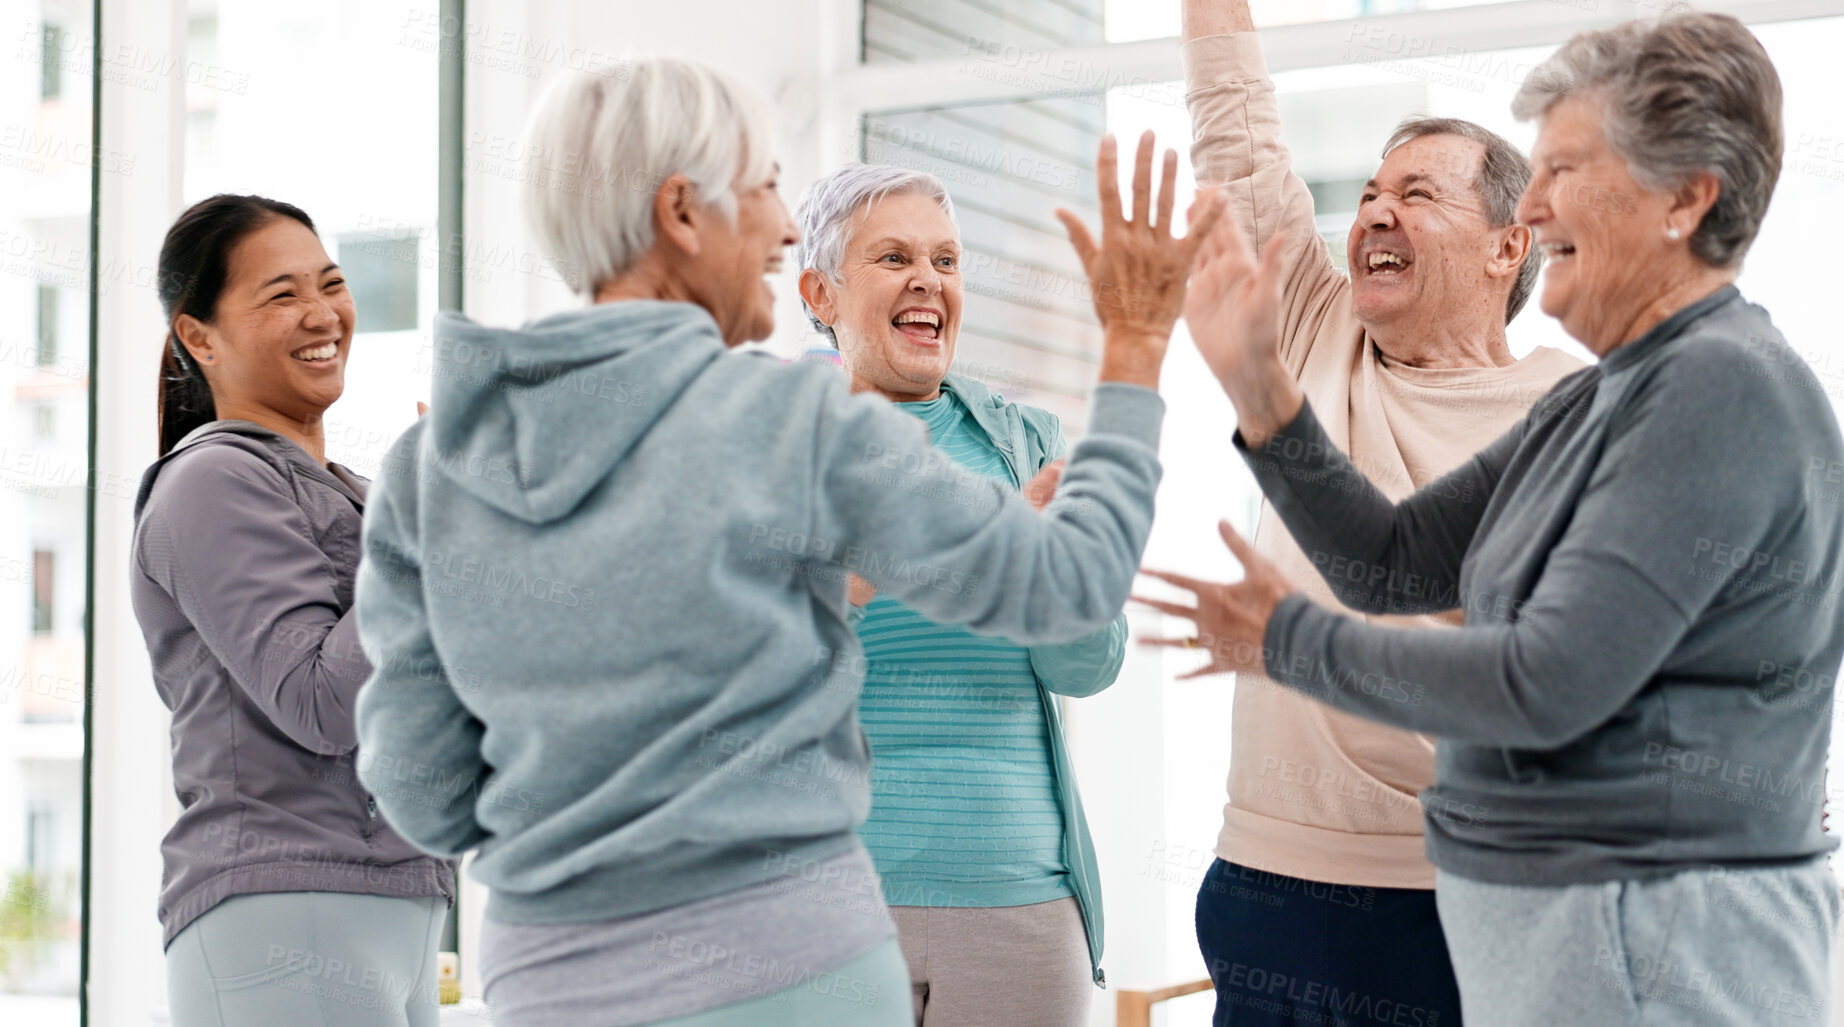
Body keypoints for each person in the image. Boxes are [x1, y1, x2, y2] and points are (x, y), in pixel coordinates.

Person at [352, 56, 1223, 1027]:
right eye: (765, 188)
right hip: (792, 969)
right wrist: (1138, 338)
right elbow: (1077, 578)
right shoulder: (792, 426)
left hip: (554, 981)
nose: (779, 226)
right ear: (682, 212)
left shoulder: (428, 466)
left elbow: (422, 790)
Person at [1154, 13, 1844, 1027]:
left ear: (1685, 198)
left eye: (1566, 167)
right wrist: (1262, 390)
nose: (1534, 198)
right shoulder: (1606, 399)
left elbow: (1546, 684)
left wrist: (1285, 638)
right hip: (1547, 938)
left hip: (1653, 950)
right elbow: (1391, 564)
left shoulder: (1717, 389)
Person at [1177, 2, 1584, 1022]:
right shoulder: (1320, 328)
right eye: (1365, 195)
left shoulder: (1568, 406)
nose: (1373, 213)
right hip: (1265, 878)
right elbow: (1238, 142)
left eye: (1416, 192)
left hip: (1459, 897)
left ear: (1507, 247)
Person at [795, 163, 1123, 1024]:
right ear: (819, 292)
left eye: (945, 260)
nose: (927, 281)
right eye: (893, 257)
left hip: (1017, 897)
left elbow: (1086, 667)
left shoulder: (1026, 444)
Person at [131, 194, 455, 1027]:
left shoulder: (365, 495)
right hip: (284, 901)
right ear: (199, 336)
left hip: (405, 899)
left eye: (332, 283)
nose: (322, 314)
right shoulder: (211, 480)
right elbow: (320, 700)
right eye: (280, 295)